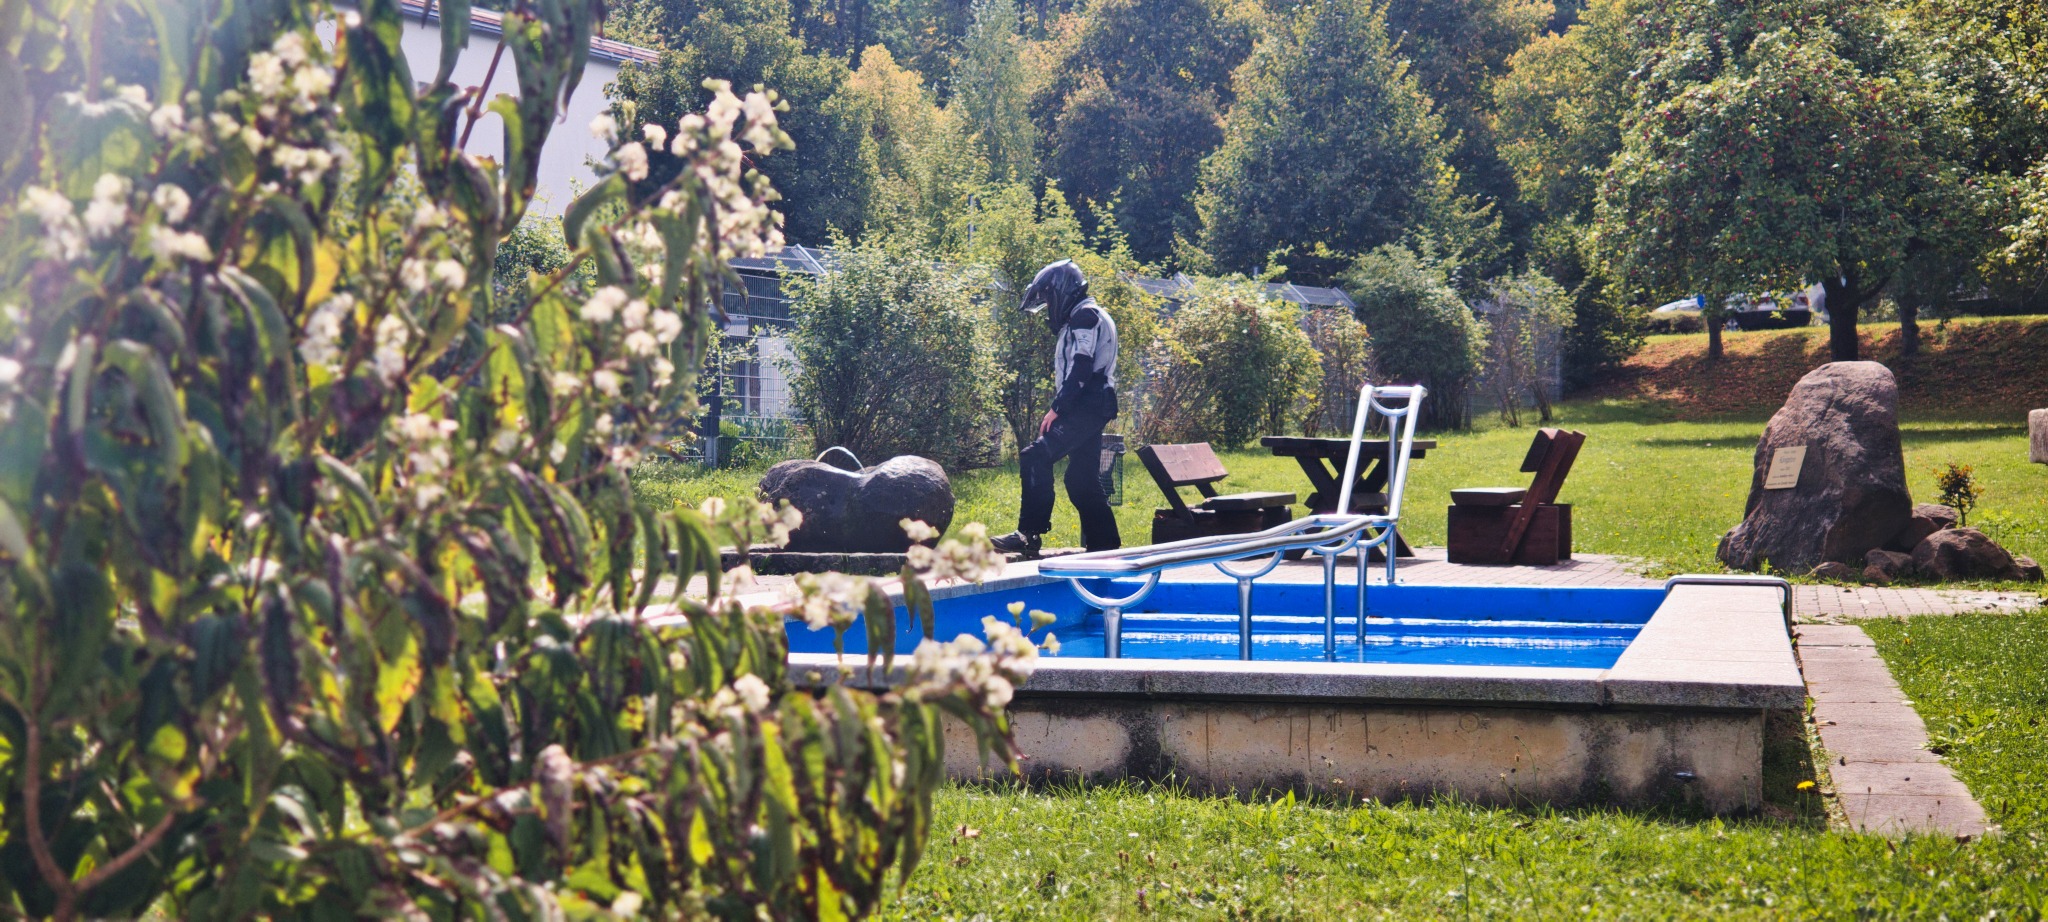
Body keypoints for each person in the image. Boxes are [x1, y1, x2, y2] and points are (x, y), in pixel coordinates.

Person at [991, 260, 1122, 557]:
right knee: (1080, 479)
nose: (1049, 305)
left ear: (1062, 290)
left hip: (1087, 403)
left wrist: (1058, 408)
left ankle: (1027, 535)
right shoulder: (1088, 313)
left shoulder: (1085, 315)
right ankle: (1106, 546)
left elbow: (1082, 365)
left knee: (1036, 455)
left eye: (1049, 297)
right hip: (1093, 402)